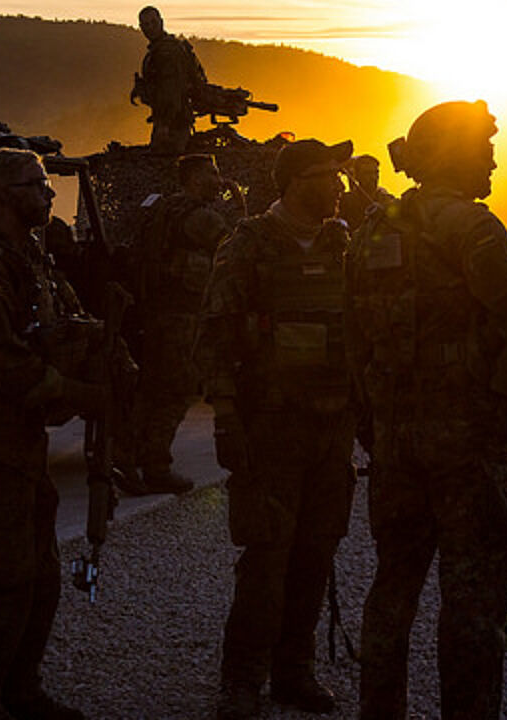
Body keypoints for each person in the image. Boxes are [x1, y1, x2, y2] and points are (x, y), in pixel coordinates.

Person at [344, 101, 507, 720]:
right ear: (450, 154)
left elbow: (353, 344)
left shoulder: (370, 232)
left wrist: (376, 427)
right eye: (482, 147)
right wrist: (503, 402)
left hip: (395, 445)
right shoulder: (469, 227)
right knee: (472, 599)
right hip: (466, 445)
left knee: (392, 588)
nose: (493, 157)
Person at [0, 147, 102, 720]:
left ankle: (19, 688)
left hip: (22, 443)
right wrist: (73, 392)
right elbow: (0, 360)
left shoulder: (29, 257)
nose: (50, 195)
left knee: (41, 574)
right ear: (3, 195)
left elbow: (64, 324)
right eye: (38, 186)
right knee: (0, 579)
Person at [196, 138, 358, 719]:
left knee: (316, 553)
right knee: (267, 559)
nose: (338, 187)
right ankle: (241, 679)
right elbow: (214, 340)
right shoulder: (247, 246)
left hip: (332, 427)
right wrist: (227, 418)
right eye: (325, 176)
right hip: (271, 427)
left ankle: (295, 671)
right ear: (293, 182)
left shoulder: (347, 245)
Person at [116, 153, 246, 495]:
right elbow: (236, 247)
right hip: (183, 316)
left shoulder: (166, 209)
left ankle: (125, 461)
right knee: (176, 391)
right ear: (195, 178)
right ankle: (154, 465)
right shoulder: (199, 217)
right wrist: (236, 205)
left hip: (159, 312)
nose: (219, 181)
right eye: (213, 174)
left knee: (151, 389)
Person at [131, 5, 208, 154]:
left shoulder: (167, 52)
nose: (150, 28)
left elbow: (171, 91)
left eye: (153, 22)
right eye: (145, 25)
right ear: (141, 28)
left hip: (174, 122)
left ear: (161, 22)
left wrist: (164, 126)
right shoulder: (160, 49)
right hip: (170, 119)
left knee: (167, 163)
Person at [338, 154, 394, 230]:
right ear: (357, 176)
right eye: (367, 173)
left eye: (376, 172)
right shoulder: (345, 202)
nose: (373, 177)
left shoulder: (388, 200)